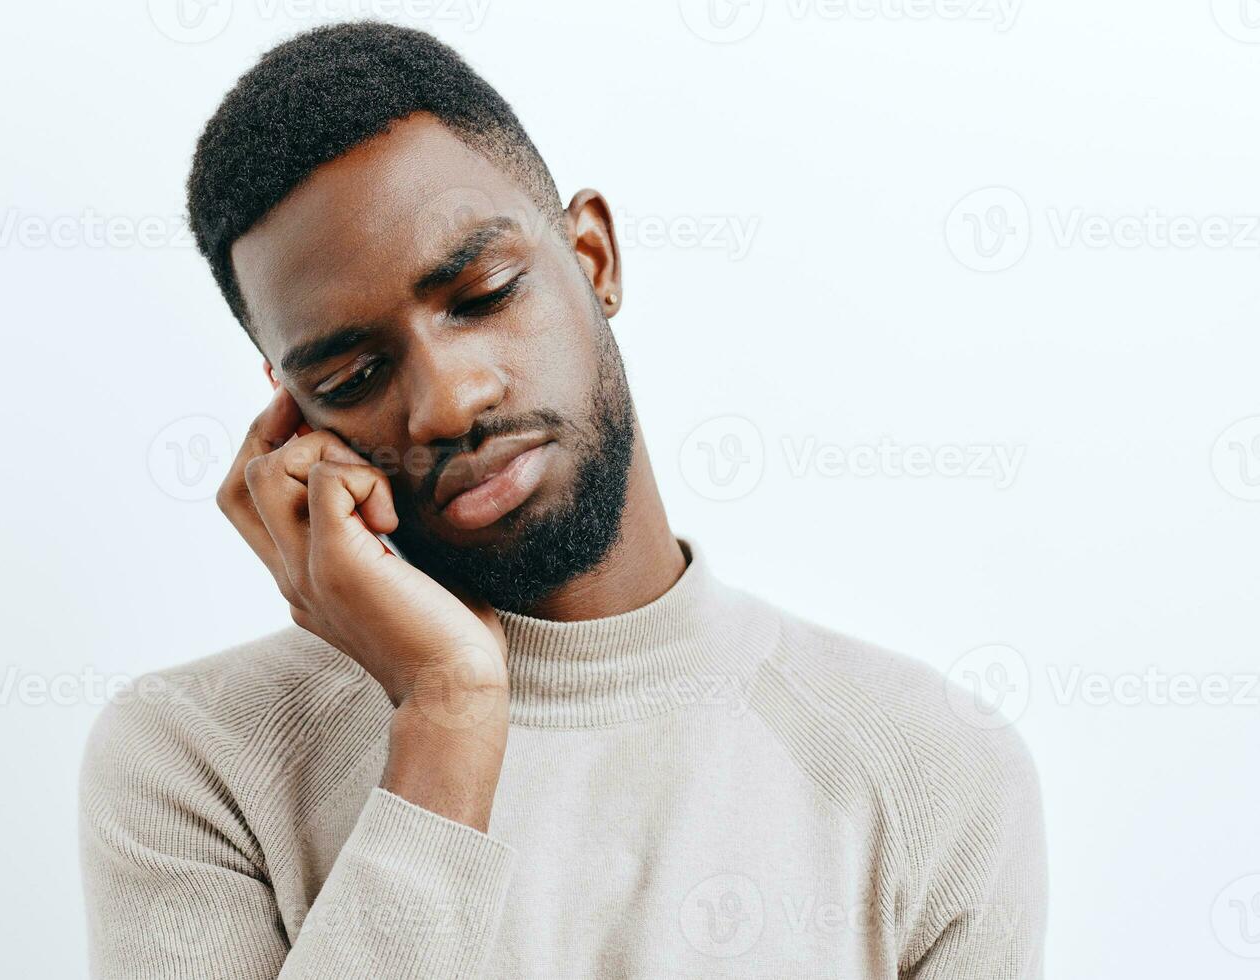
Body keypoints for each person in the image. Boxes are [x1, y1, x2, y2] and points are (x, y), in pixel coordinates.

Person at [79, 20, 1046, 978]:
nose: (450, 401)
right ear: (292, 417)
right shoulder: (198, 759)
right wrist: (446, 715)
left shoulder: (927, 770)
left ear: (593, 257)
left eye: (486, 292)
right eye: (355, 373)